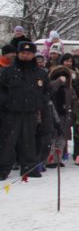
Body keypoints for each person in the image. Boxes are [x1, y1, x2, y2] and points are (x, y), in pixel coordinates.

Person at [0, 41, 50, 180]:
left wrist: (40, 102)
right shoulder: (8, 71)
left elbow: (46, 91)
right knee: (8, 141)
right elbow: (2, 90)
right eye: (23, 53)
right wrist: (7, 102)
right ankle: (3, 169)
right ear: (18, 53)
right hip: (11, 113)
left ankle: (29, 167)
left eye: (28, 53)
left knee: (29, 140)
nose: (25, 55)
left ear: (33, 55)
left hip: (31, 112)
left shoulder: (40, 73)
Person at [46, 66, 75, 168]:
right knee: (52, 139)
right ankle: (50, 160)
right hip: (52, 116)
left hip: (64, 116)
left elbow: (73, 103)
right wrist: (58, 81)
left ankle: (58, 159)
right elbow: (50, 89)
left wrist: (72, 117)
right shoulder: (52, 86)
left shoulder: (69, 90)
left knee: (61, 140)